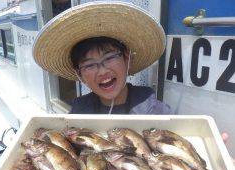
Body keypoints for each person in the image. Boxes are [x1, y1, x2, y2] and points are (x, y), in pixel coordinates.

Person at [32, 1, 171, 114]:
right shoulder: (78, 113)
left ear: (127, 58)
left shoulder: (155, 111)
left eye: (109, 57)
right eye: (89, 65)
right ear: (79, 74)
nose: (102, 71)